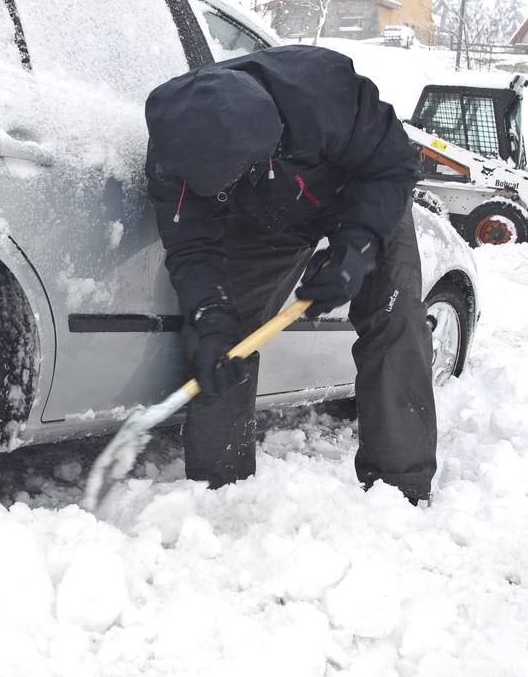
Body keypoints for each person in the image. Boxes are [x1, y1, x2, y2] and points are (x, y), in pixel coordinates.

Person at [144, 43, 436, 504]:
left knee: (394, 316)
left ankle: (401, 489)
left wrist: (355, 252)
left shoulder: (325, 91)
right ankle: (219, 494)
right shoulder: (174, 154)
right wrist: (212, 315)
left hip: (358, 197)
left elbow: (392, 167)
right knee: (222, 340)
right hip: (263, 220)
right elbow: (192, 246)